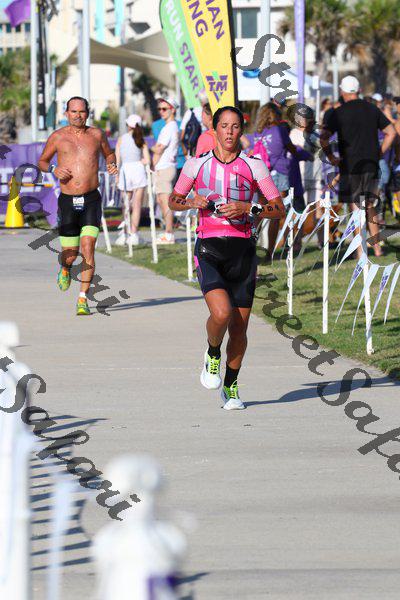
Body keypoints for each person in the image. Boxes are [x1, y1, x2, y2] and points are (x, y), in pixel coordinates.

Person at [168, 106, 285, 410]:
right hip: (209, 249)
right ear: (215, 129)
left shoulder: (254, 166)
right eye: (224, 126)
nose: (230, 132)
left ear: (241, 130)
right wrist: (191, 201)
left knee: (240, 329)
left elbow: (278, 208)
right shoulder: (196, 164)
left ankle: (231, 387)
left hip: (242, 252)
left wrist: (248, 208)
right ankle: (212, 352)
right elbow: (174, 200)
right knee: (221, 313)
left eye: (235, 127)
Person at [38, 96, 118, 315]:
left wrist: (111, 163)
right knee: (70, 254)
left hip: (91, 199)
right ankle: (65, 268)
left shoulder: (97, 135)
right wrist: (53, 169)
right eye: (73, 111)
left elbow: (109, 153)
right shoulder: (58, 137)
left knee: (88, 247)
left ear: (88, 113)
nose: (77, 115)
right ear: (66, 113)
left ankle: (82, 298)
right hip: (67, 201)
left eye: (81, 111)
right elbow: (42, 161)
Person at [321, 75, 396, 258]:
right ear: (359, 90)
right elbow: (391, 132)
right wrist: (379, 153)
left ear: (342, 91)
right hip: (371, 163)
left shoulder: (338, 112)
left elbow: (323, 137)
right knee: (369, 204)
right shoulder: (372, 108)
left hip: (350, 165)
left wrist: (331, 157)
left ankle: (361, 251)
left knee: (357, 207)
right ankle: (377, 249)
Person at [254, 102, 299, 258]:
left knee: (259, 212)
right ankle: (271, 251)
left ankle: (251, 246)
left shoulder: (258, 133)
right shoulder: (280, 130)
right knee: (277, 214)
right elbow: (292, 149)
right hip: (279, 173)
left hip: (261, 175)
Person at [115, 114, 150, 246]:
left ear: (128, 125)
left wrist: (117, 175)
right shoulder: (141, 139)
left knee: (126, 204)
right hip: (138, 170)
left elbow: (117, 160)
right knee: (137, 205)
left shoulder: (121, 139)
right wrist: (140, 161)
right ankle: (133, 234)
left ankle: (124, 233)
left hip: (125, 170)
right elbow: (147, 160)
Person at [150, 97, 179, 244]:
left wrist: (150, 150)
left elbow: (159, 148)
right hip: (163, 167)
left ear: (172, 110)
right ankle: (167, 232)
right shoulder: (169, 127)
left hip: (165, 167)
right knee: (161, 201)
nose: (161, 112)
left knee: (166, 202)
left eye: (164, 109)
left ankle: (169, 233)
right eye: (159, 109)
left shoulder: (169, 127)